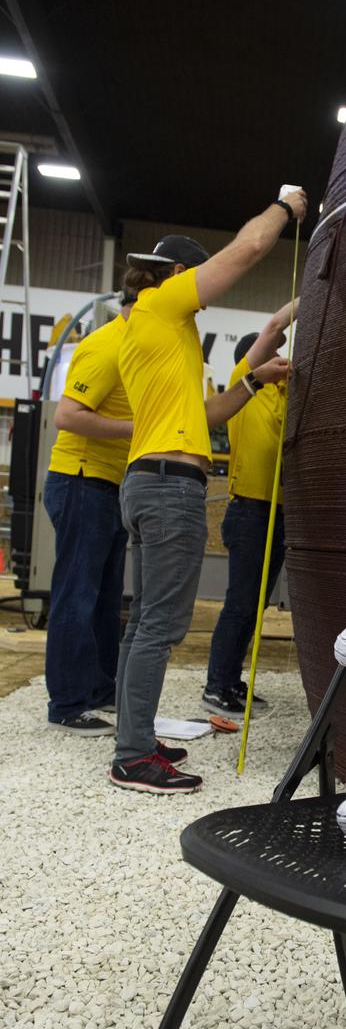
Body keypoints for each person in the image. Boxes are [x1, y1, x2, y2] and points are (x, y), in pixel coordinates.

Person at [111, 185, 308, 796]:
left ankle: (134, 737)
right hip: (169, 488)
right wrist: (286, 207)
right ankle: (132, 756)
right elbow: (248, 249)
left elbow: (212, 412)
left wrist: (254, 380)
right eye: (195, 276)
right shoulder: (163, 304)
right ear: (175, 273)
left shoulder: (156, 335)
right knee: (159, 627)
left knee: (143, 621)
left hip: (150, 480)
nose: (201, 290)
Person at [44, 292, 135, 735]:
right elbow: (68, 415)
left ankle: (97, 688)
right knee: (77, 594)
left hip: (107, 484)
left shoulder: (134, 347)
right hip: (81, 479)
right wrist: (140, 428)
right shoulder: (107, 346)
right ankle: (66, 702)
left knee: (104, 596)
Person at [202, 307, 296, 716]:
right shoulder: (245, 386)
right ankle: (217, 685)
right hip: (250, 512)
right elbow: (273, 328)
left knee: (254, 606)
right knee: (240, 603)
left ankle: (232, 681)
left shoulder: (282, 396)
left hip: (277, 512)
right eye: (272, 354)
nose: (280, 358)